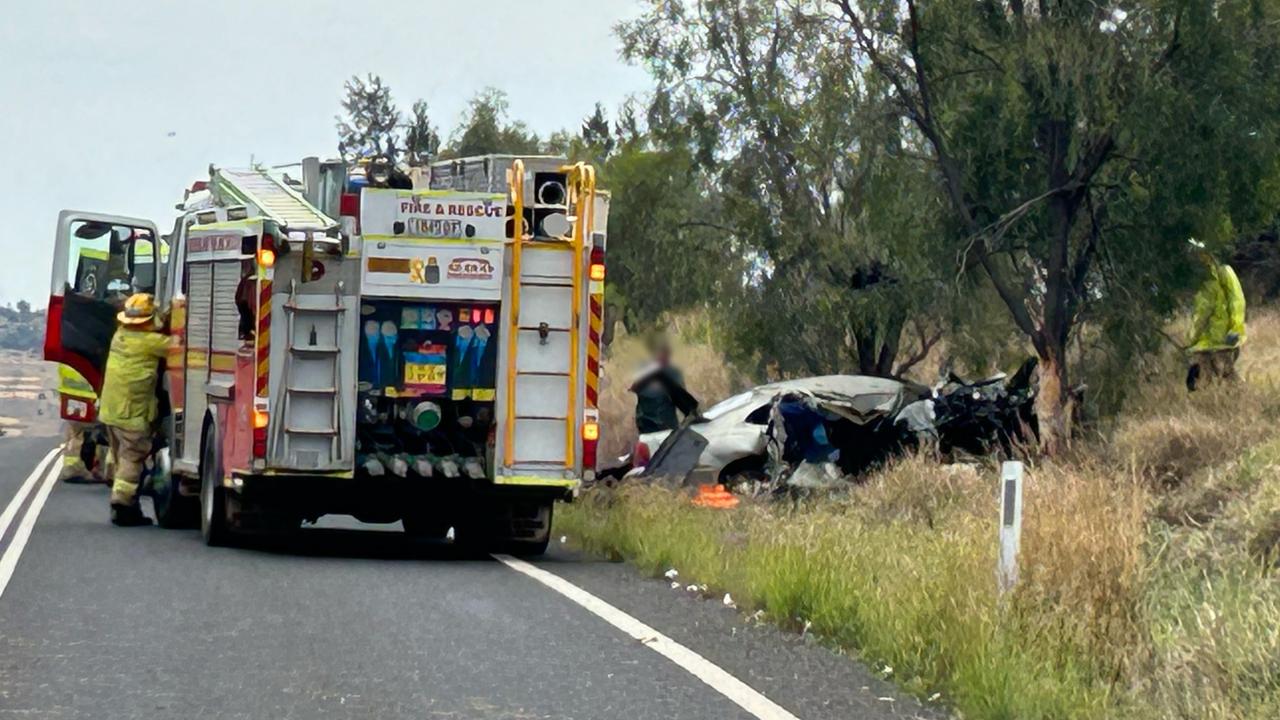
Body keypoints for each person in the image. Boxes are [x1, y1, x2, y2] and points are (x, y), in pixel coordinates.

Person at [98, 293, 170, 526]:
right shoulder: (150, 342)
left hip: (111, 411)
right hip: (132, 414)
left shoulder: (120, 336)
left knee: (121, 456)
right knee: (132, 457)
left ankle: (124, 497)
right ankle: (123, 504)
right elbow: (178, 346)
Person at [1186, 239, 1246, 391]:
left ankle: (1241, 400)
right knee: (1203, 379)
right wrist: (1192, 339)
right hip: (1204, 343)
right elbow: (1199, 315)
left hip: (1224, 339)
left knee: (1227, 374)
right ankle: (1207, 408)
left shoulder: (1223, 272)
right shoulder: (1199, 281)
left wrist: (1235, 329)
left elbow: (1236, 301)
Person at [630, 335, 698, 434]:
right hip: (647, 423)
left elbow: (682, 397)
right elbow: (640, 392)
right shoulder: (644, 373)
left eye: (665, 353)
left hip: (668, 424)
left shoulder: (674, 373)